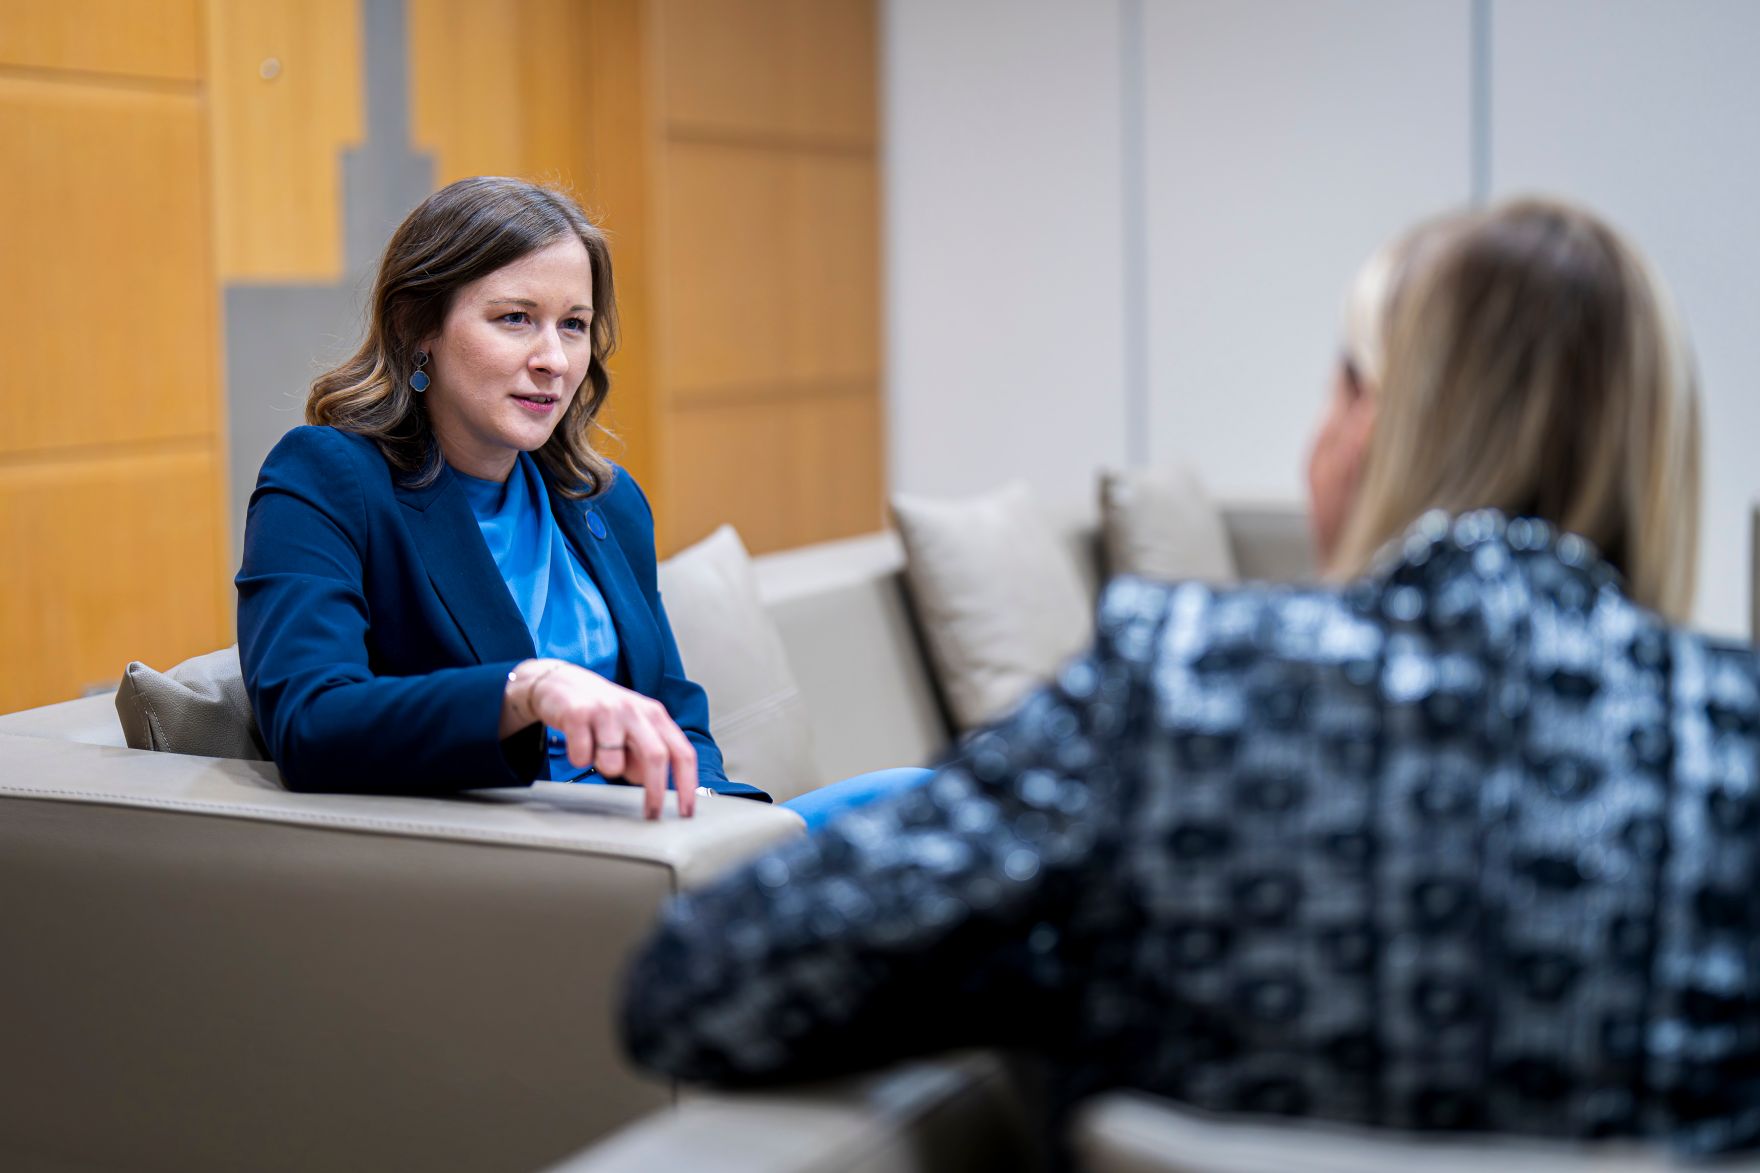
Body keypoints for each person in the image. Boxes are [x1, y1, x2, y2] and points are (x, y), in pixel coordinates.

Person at [620, 199, 1760, 1156]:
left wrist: (1087, 958)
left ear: (1372, 424)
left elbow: (694, 986)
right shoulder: (1731, 743)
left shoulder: (1172, 683)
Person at [237, 176, 927, 827]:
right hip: (542, 869)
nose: (555, 360)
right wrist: (524, 688)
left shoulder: (604, 499)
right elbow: (310, 722)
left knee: (928, 803)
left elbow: (674, 707)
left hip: (667, 842)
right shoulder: (326, 476)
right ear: (420, 326)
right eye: (515, 318)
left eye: (573, 324)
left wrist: (722, 820)